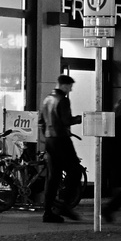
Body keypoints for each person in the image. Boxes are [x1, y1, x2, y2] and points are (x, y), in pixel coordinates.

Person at [38, 74, 83, 222]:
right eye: (70, 86)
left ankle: (48, 212)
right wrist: (80, 119)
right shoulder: (63, 100)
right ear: (63, 85)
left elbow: (40, 122)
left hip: (50, 141)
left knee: (53, 177)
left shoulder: (47, 99)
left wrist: (45, 137)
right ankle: (65, 204)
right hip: (62, 140)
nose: (70, 89)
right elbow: (66, 121)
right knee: (76, 172)